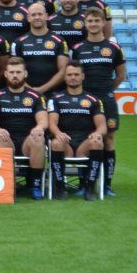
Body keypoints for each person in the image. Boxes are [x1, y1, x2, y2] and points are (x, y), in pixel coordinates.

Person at [69, 7, 125, 195]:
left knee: (108, 139)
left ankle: (107, 184)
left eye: (96, 21)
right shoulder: (77, 49)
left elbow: (120, 75)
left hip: (106, 100)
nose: (93, 24)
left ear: (103, 23)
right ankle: (84, 183)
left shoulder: (114, 48)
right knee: (86, 138)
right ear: (85, 24)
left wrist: (106, 90)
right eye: (90, 21)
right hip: (84, 101)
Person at [0, 57, 48, 200]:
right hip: (7, 138)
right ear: (6, 74)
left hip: (28, 140)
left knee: (38, 138)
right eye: (12, 72)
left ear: (25, 74)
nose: (15, 75)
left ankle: (35, 185)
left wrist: (39, 128)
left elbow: (43, 119)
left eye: (18, 72)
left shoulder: (36, 96)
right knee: (0, 138)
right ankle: (8, 186)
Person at [47, 62, 107, 200]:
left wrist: (97, 133)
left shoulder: (94, 100)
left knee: (97, 142)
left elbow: (102, 126)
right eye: (69, 75)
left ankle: (89, 187)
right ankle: (60, 187)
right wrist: (58, 133)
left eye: (76, 74)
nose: (73, 77)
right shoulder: (55, 99)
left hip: (85, 143)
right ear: (65, 77)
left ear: (83, 76)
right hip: (65, 141)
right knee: (56, 143)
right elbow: (52, 123)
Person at [10, 2, 69, 94]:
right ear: (28, 18)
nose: (37, 17)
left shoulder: (59, 40)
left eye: (40, 14)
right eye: (33, 15)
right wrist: (30, 90)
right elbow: (13, 70)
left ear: (46, 16)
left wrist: (43, 89)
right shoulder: (18, 42)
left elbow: (63, 70)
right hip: (26, 93)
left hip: (53, 93)